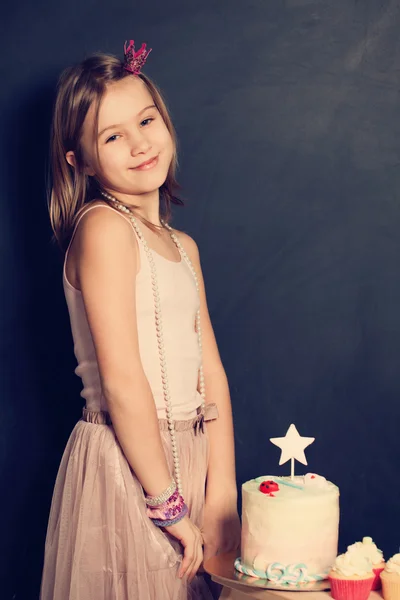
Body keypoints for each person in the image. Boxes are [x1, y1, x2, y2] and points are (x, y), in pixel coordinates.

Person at [39, 39, 240, 600]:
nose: (139, 143)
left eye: (146, 120)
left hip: (192, 458)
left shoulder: (183, 245)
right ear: (78, 161)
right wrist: (166, 502)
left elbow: (211, 376)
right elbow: (124, 382)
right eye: (111, 136)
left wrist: (220, 491)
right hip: (130, 468)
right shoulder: (102, 228)